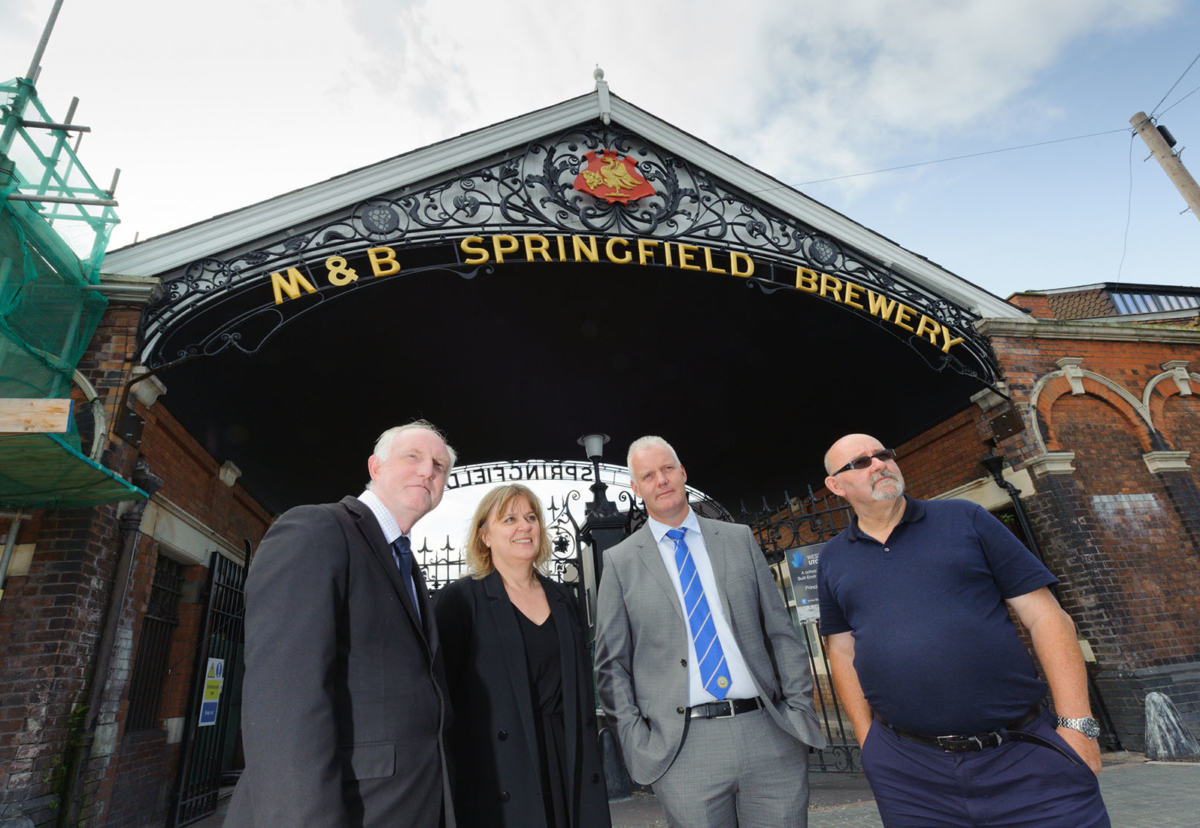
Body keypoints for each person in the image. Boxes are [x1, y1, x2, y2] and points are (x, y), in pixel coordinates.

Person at [818, 433, 1110, 827]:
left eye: (883, 454)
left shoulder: (965, 519)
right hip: (910, 775)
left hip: (1024, 756)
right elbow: (842, 650)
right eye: (860, 463)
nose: (879, 465)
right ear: (836, 486)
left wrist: (1078, 727)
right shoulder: (833, 558)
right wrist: (868, 742)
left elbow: (1047, 617)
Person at [226, 421, 457, 828]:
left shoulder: (404, 563)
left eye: (440, 466)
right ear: (375, 467)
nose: (428, 472)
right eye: (413, 458)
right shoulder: (316, 530)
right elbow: (284, 700)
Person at [594, 436, 825, 828]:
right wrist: (637, 742)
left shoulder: (737, 539)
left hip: (768, 732)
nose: (661, 480)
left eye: (668, 469)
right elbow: (611, 666)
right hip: (683, 748)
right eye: (648, 475)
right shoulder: (620, 562)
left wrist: (799, 709)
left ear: (682, 473)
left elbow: (781, 633)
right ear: (635, 488)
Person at [434, 484, 611, 828]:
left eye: (531, 517)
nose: (524, 526)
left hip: (567, 759)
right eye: (510, 518)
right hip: (500, 769)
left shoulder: (563, 599)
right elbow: (443, 701)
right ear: (485, 536)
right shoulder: (459, 601)